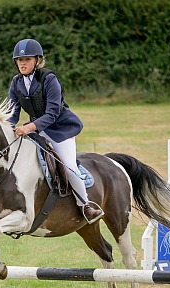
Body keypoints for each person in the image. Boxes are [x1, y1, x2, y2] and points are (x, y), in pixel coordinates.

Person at [8, 38, 104, 224]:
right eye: (20, 60)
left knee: (68, 166)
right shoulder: (16, 82)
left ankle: (85, 205)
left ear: (37, 60)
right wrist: (9, 128)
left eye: (27, 59)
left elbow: (52, 114)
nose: (23, 63)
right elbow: (13, 113)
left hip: (60, 129)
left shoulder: (49, 79)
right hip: (36, 129)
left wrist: (27, 127)